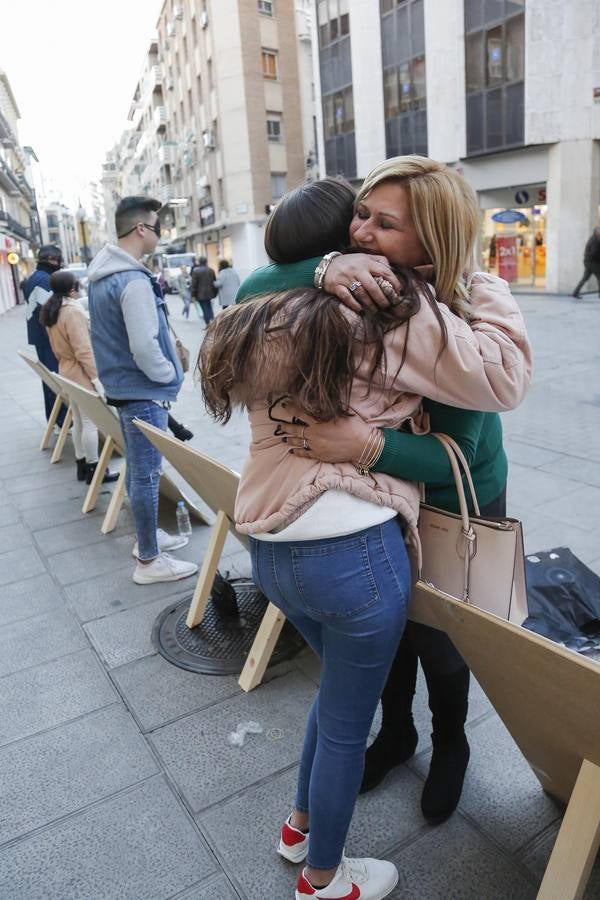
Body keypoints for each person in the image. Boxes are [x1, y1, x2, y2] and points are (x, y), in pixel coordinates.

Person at [201, 168, 531, 900]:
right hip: (361, 530)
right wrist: (324, 267)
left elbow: (475, 443)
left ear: (432, 239)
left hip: (446, 495)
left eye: (384, 223)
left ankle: (448, 741)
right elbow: (269, 277)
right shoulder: (355, 295)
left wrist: (367, 446)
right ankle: (331, 861)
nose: (363, 234)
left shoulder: (409, 304)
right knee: (370, 677)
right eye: (359, 218)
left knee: (442, 641)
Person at [87, 195, 198, 586]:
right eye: (157, 227)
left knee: (138, 468)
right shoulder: (132, 281)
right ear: (140, 229)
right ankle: (149, 560)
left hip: (123, 386)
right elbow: (144, 345)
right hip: (142, 389)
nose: (159, 235)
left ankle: (146, 539)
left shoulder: (102, 275)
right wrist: (168, 373)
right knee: (148, 473)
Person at [39, 270, 119, 485]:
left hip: (66, 369)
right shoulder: (72, 311)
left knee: (79, 420)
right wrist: (96, 379)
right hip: (80, 373)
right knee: (89, 422)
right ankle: (95, 470)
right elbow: (83, 350)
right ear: (72, 288)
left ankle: (82, 466)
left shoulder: (51, 309)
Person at [23, 244, 68, 428]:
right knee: (57, 381)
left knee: (49, 381)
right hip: (48, 336)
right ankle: (61, 421)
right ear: (51, 260)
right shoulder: (46, 280)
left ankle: (54, 420)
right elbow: (51, 311)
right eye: (58, 260)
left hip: (38, 336)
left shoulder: (34, 277)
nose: (59, 264)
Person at [573, 226, 600, 298]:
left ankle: (575, 292)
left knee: (585, 278)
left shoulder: (593, 238)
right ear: (597, 232)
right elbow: (594, 253)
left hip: (588, 262)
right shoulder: (595, 240)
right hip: (593, 262)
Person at [191, 256, 217, 325]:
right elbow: (214, 282)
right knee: (209, 306)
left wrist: (193, 295)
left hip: (200, 294)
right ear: (206, 262)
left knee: (204, 308)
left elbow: (194, 284)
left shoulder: (196, 271)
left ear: (199, 262)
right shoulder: (211, 270)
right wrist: (215, 293)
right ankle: (212, 320)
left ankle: (208, 323)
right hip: (210, 292)